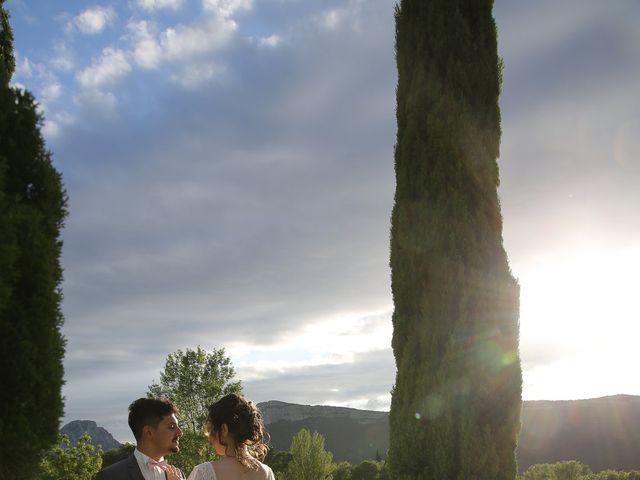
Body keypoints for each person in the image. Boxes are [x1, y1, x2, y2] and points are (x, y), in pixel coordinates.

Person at [187, 394, 275, 480]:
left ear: (224, 429)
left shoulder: (204, 472)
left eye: (211, 430)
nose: (210, 439)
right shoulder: (266, 472)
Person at [96, 397, 185, 480]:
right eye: (172, 427)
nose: (180, 433)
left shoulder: (179, 475)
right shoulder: (110, 476)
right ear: (149, 432)